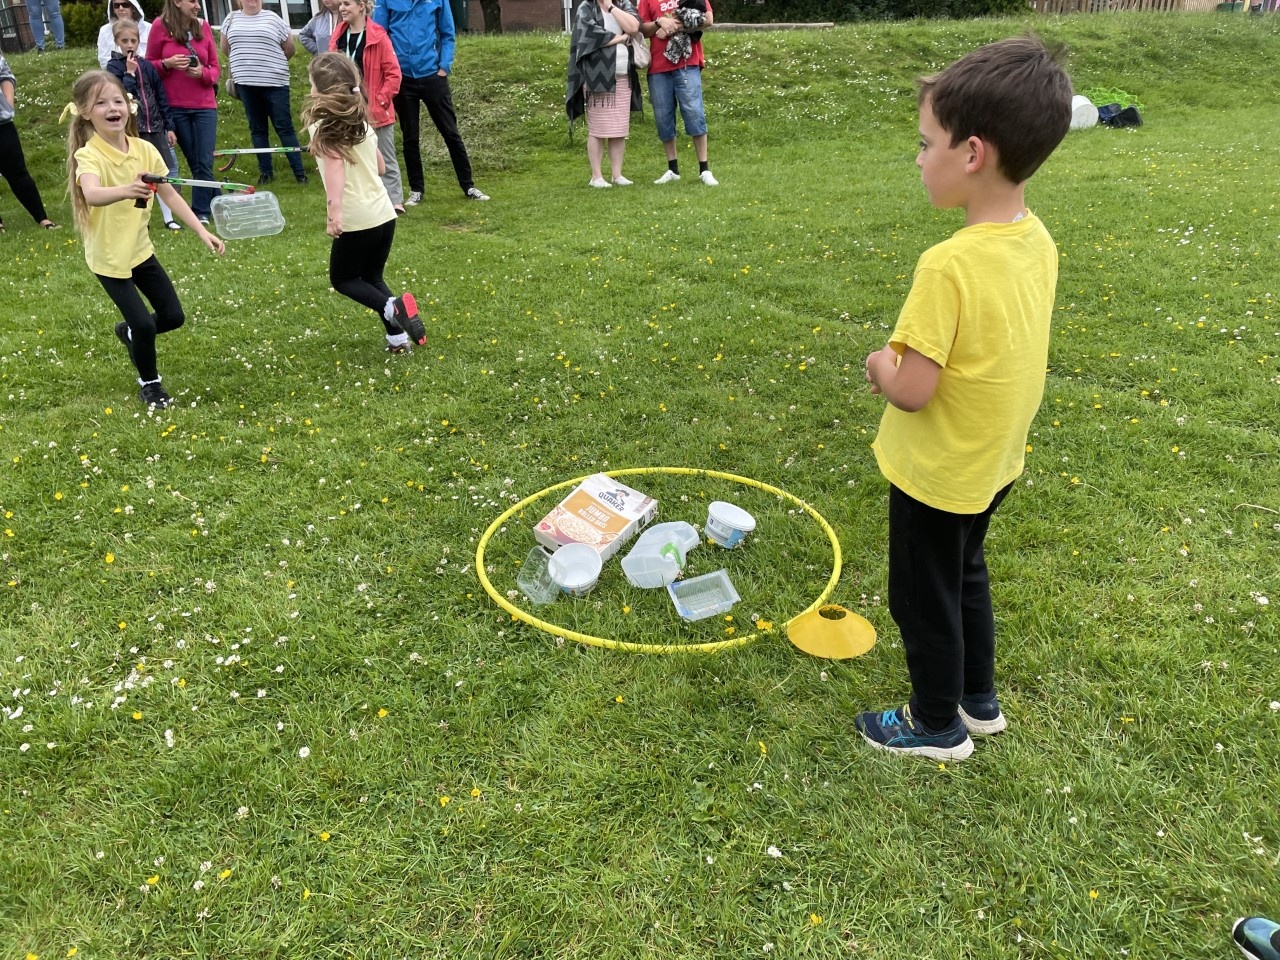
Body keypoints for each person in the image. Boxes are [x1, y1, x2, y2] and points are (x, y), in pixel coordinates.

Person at [855, 36, 1072, 761]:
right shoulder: (1036, 239)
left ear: (972, 153)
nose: (919, 159)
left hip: (939, 471)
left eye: (926, 144)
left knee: (922, 597)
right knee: (964, 571)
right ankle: (978, 700)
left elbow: (913, 390)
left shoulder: (947, 265)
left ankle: (935, 724)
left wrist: (879, 364)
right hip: (993, 463)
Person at [64, 70, 224, 409]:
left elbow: (170, 194)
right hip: (109, 257)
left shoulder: (145, 149)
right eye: (101, 103)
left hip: (139, 251)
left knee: (173, 316)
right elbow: (92, 193)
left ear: (130, 107)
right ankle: (150, 384)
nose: (113, 108)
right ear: (85, 112)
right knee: (143, 324)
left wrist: (201, 230)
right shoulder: (89, 155)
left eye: (118, 101)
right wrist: (127, 189)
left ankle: (130, 333)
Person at [303, 54, 424, 354]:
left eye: (311, 83)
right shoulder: (362, 125)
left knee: (342, 278)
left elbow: (335, 169)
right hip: (384, 214)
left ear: (322, 90)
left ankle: (392, 307)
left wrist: (334, 214)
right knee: (372, 278)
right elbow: (380, 167)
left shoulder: (322, 126)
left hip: (357, 218)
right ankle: (398, 339)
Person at [372, 0, 489, 204]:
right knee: (410, 137)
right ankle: (416, 190)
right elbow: (379, 34)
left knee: (450, 132)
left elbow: (447, 33)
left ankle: (468, 186)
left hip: (433, 75)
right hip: (402, 78)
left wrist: (444, 66)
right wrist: (390, 70)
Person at [146, 0, 220, 223]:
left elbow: (215, 68)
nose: (197, 6)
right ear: (177, 2)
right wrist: (167, 64)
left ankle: (201, 212)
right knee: (195, 162)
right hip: (175, 106)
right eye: (193, 1)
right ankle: (217, 199)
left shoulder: (203, 26)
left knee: (204, 160)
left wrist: (202, 73)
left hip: (205, 105)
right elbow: (148, 66)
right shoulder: (159, 26)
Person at [220, 0, 308, 185]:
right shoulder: (231, 19)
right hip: (245, 84)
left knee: (284, 127)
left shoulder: (274, 19)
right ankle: (266, 173)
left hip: (275, 84)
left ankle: (300, 174)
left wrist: (269, 64)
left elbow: (289, 49)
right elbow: (226, 49)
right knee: (257, 129)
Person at [106, 20, 182, 230]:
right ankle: (140, 219)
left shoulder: (147, 65)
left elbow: (160, 96)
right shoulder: (114, 67)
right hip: (133, 129)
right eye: (125, 41)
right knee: (136, 173)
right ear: (117, 42)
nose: (129, 45)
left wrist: (169, 126)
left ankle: (169, 218)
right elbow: (122, 94)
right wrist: (129, 73)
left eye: (133, 40)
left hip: (155, 126)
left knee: (162, 170)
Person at [329, 0, 404, 213]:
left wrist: (379, 100)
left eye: (347, 4)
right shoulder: (338, 35)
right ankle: (358, 201)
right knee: (350, 157)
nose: (342, 8)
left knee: (384, 156)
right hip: (346, 107)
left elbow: (394, 75)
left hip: (375, 108)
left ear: (361, 6)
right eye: (341, 4)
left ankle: (394, 201)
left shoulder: (379, 35)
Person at [638, 0, 716, 186]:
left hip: (688, 64)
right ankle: (673, 169)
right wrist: (659, 22)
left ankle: (704, 169)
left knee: (694, 112)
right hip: (658, 67)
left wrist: (676, 26)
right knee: (663, 117)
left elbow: (709, 19)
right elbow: (642, 29)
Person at [566, 0, 642, 188]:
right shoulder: (586, 7)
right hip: (597, 78)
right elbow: (590, 36)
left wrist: (611, 7)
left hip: (624, 76)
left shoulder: (622, 4)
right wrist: (620, 38)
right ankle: (596, 176)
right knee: (598, 130)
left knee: (619, 129)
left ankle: (617, 174)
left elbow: (633, 27)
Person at [0, 54, 59, 233]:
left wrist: (8, 102)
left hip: (2, 123)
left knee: (18, 172)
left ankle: (42, 218)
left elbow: (5, 74)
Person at [98, 0, 150, 69]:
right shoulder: (105, 31)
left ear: (133, 7)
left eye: (125, 5)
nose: (121, 8)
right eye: (116, 6)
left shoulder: (148, 28)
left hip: (144, 71)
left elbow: (152, 57)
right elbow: (104, 60)